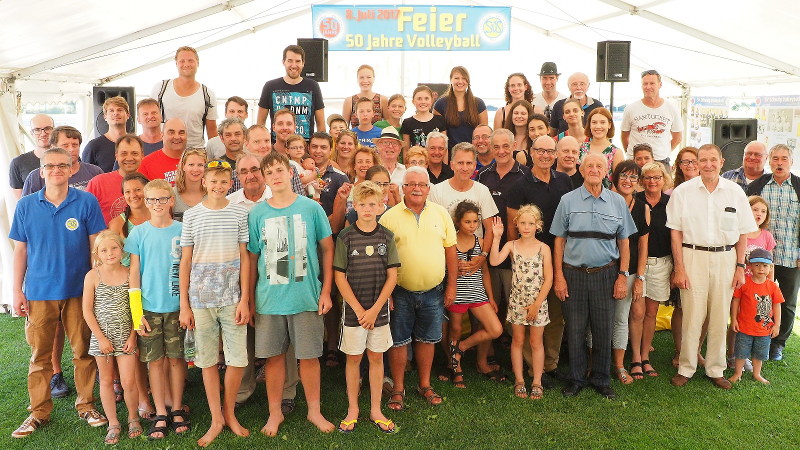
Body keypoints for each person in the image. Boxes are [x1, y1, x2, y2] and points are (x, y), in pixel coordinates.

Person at [10, 148, 108, 439]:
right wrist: (16, 290)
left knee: (83, 352)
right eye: (50, 166)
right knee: (40, 356)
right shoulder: (26, 205)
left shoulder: (86, 201)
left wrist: (97, 288)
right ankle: (38, 411)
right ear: (41, 172)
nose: (56, 170)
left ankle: (87, 405)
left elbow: (96, 247)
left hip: (79, 291)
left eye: (62, 166)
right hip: (39, 291)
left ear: (71, 169)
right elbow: (21, 250)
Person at [247, 152, 335, 436]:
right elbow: (251, 259)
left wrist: (326, 291)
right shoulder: (257, 214)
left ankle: (314, 410)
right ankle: (275, 413)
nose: (275, 175)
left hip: (306, 296)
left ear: (291, 173)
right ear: (264, 178)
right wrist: (248, 299)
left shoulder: (311, 208)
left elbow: (328, 249)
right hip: (269, 300)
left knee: (309, 357)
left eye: (280, 169)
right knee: (273, 358)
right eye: (269, 171)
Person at [668, 144, 757, 390]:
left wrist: (740, 266)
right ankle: (686, 368)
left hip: (725, 258)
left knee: (719, 317)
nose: (708, 165)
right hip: (692, 256)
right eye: (703, 160)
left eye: (712, 160)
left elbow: (742, 233)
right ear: (696, 163)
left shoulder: (735, 192)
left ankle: (715, 369)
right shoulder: (683, 192)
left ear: (721, 162)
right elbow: (675, 232)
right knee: (692, 316)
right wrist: (679, 267)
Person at [551, 153, 637, 399]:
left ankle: (601, 378)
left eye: (599, 166)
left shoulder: (617, 201)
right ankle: (576, 379)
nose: (594, 170)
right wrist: (559, 276)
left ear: (606, 170)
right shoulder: (567, 201)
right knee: (576, 330)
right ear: (581, 169)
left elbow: (624, 242)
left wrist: (622, 275)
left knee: (603, 329)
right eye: (590, 165)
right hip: (573, 274)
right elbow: (559, 241)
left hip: (606, 274)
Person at [179, 160, 250, 446]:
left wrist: (245, 298)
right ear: (204, 182)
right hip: (200, 299)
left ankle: (230, 413)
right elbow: (185, 261)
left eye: (224, 181)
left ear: (230, 184)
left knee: (237, 359)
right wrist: (184, 304)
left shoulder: (239, 213)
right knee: (207, 360)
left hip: (232, 298)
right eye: (213, 181)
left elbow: (245, 257)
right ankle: (216, 418)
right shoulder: (192, 216)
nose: (218, 186)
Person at [379, 167, 458, 411]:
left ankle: (424, 385)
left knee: (427, 339)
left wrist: (452, 286)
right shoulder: (389, 217)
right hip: (400, 291)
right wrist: (388, 292)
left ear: (428, 188)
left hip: (434, 290)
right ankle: (399, 389)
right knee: (399, 341)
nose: (416, 188)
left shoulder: (441, 214)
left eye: (421, 184)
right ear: (403, 188)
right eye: (411, 184)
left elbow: (451, 251)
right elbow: (382, 259)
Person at [334, 181, 400, 434]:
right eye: (362, 204)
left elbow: (392, 277)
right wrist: (360, 311)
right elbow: (340, 277)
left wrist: (374, 310)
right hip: (353, 313)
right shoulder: (346, 236)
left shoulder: (386, 236)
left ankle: (375, 409)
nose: (368, 208)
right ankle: (353, 409)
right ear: (354, 206)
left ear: (381, 206)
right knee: (353, 358)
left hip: (379, 311)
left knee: (376, 357)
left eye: (373, 204)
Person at [507, 135, 573, 386]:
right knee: (526, 315)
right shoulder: (518, 186)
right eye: (540, 151)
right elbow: (514, 228)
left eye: (550, 151)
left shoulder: (565, 181)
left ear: (555, 154)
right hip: (527, 263)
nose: (545, 155)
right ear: (531, 153)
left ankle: (550, 364)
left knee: (555, 315)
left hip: (558, 257)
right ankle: (530, 367)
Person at [126, 180, 189, 438]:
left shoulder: (183, 230)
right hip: (149, 310)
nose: (157, 204)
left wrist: (187, 306)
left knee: (176, 359)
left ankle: (176, 407)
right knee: (155, 361)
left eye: (162, 199)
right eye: (152, 200)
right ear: (145, 202)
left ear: (171, 200)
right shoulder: (138, 233)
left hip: (176, 307)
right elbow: (133, 275)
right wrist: (136, 313)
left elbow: (189, 270)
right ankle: (161, 410)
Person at [475, 128, 531, 380]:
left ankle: (520, 359)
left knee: (515, 308)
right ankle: (485, 358)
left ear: (514, 146)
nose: (500, 151)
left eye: (505, 146)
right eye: (495, 146)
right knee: (489, 305)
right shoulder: (483, 176)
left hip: (514, 254)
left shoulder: (525, 175)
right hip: (487, 252)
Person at [81, 231, 142, 445]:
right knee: (106, 381)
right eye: (104, 250)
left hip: (126, 336)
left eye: (114, 248)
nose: (110, 253)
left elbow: (136, 309)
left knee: (128, 381)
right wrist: (101, 338)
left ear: (122, 249)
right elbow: (87, 311)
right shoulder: (93, 276)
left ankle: (133, 417)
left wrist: (133, 335)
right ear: (97, 253)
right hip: (102, 338)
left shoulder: (130, 273)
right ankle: (113, 423)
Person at [489, 205, 552, 399]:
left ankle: (537, 382)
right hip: (517, 301)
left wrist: (536, 305)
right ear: (517, 224)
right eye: (523, 223)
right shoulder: (511, 245)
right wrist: (497, 238)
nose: (526, 227)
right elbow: (493, 261)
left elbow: (548, 279)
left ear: (538, 226)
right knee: (517, 341)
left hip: (537, 302)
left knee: (536, 342)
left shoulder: (544, 248)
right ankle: (519, 380)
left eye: (530, 223)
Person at [746, 144, 800, 361]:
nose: (779, 163)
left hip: (789, 255)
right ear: (769, 161)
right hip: (759, 256)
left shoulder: (798, 186)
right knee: (755, 299)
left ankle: (777, 343)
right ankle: (752, 338)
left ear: (791, 162)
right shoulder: (758, 186)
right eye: (775, 158)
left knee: (785, 302)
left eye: (784, 159)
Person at [448, 201, 503, 390]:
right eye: (467, 222)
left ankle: (461, 348)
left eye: (475, 222)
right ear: (457, 222)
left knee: (495, 328)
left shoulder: (480, 243)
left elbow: (485, 272)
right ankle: (456, 369)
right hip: (458, 294)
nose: (472, 226)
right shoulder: (451, 242)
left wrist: (491, 297)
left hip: (478, 294)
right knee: (455, 329)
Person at [607, 161, 649, 384]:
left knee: (621, 319)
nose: (628, 181)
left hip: (631, 272)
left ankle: (619, 366)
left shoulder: (642, 208)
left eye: (633, 177)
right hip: (603, 270)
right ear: (615, 177)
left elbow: (643, 247)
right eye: (624, 175)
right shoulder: (605, 202)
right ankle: (597, 365)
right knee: (599, 318)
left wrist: (640, 277)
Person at [630, 162, 673, 379]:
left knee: (651, 313)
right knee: (637, 312)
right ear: (641, 180)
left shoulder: (671, 203)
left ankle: (646, 356)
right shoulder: (635, 201)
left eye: (657, 177)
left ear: (664, 180)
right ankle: (635, 357)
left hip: (662, 263)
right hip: (639, 263)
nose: (652, 181)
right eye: (647, 177)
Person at [729, 248, 783, 385]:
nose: (761, 268)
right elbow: (735, 301)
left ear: (770, 268)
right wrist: (734, 319)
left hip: (764, 330)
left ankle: (757, 374)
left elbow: (777, 305)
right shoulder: (744, 283)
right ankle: (737, 373)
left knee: (759, 353)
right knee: (741, 352)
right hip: (744, 327)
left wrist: (777, 325)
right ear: (750, 266)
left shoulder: (772, 286)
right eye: (757, 265)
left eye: (765, 265)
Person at [152, 46, 218, 148]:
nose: (186, 64)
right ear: (176, 64)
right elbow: (150, 122)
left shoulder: (208, 94)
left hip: (196, 152)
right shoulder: (160, 88)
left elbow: (212, 131)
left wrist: (215, 158)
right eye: (182, 61)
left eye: (190, 60)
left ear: (198, 63)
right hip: (166, 149)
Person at [257, 44, 326, 140]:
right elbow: (260, 123)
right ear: (283, 62)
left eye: (298, 61)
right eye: (290, 61)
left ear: (303, 63)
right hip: (277, 148)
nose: (294, 65)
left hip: (304, 148)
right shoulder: (270, 86)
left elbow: (321, 124)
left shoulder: (313, 86)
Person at [620, 70, 683, 170]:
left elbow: (678, 137)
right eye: (645, 84)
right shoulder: (631, 108)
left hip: (661, 162)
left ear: (660, 84)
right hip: (636, 163)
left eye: (652, 83)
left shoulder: (671, 108)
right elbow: (624, 136)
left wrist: (664, 152)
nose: (648, 87)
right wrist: (632, 155)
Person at [23, 125, 102, 195]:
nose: (71, 149)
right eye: (65, 145)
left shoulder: (95, 172)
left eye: (75, 145)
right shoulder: (36, 177)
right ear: (53, 147)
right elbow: (27, 207)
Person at [86, 134, 145, 224]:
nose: (129, 158)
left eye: (134, 153)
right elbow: (85, 216)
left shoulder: (149, 184)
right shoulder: (98, 183)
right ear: (116, 156)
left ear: (142, 156)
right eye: (124, 154)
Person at [434, 66, 488, 151]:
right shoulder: (440, 104)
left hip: (473, 154)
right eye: (456, 78)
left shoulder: (479, 103)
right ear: (451, 80)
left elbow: (484, 133)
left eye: (464, 78)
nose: (460, 81)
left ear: (468, 81)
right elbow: (438, 136)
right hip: (449, 154)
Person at [10, 114, 53, 199]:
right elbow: (21, 202)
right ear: (32, 133)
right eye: (37, 130)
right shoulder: (18, 163)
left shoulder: (67, 159)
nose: (43, 133)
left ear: (54, 131)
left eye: (47, 128)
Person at [83, 96, 131, 172]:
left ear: (128, 115)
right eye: (111, 111)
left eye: (120, 110)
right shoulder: (93, 147)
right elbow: (86, 176)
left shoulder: (135, 144)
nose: (116, 113)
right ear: (105, 116)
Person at [579, 107, 623, 186]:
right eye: (594, 122)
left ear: (609, 125)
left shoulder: (616, 153)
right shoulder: (581, 148)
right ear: (589, 125)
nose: (598, 126)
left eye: (602, 122)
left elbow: (618, 183)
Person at [139, 117, 187, 185]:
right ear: (162, 135)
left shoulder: (197, 161)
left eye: (181, 133)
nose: (177, 137)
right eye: (171, 133)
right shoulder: (146, 164)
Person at [401, 85, 447, 153]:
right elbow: (406, 150)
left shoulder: (440, 120)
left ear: (432, 100)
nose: (423, 102)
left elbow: (445, 148)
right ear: (413, 101)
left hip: (436, 161)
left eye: (426, 98)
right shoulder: (407, 123)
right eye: (419, 99)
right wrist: (407, 164)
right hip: (417, 161)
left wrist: (445, 164)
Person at [108, 172, 151, 239]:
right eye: (127, 192)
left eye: (138, 190)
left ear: (148, 190)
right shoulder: (116, 224)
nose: (133, 195)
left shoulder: (162, 215)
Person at [172, 149, 207, 221]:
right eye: (191, 165)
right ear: (183, 166)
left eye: (200, 165)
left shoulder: (212, 194)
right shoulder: (172, 194)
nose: (195, 169)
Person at [217, 118, 248, 194]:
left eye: (237, 134)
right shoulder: (216, 166)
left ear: (244, 137)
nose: (233, 138)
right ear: (222, 138)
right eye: (228, 135)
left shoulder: (252, 163)